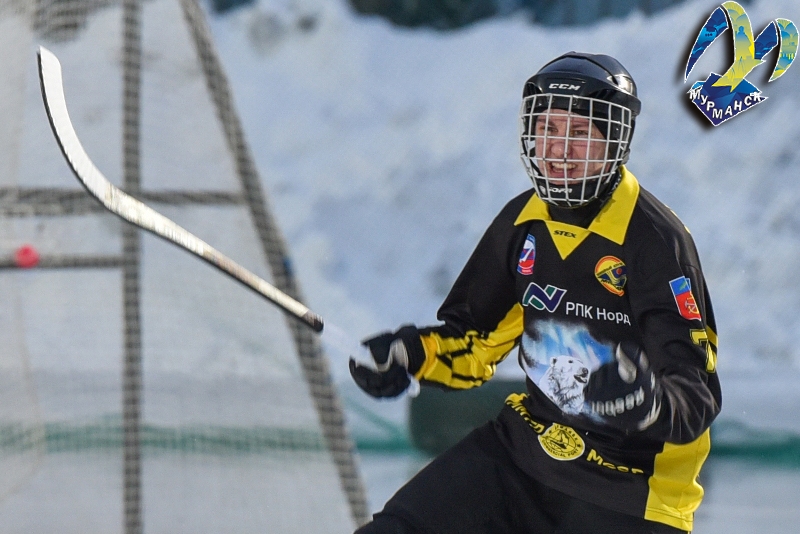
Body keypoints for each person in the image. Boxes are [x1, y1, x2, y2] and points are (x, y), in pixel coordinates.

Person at [349, 51, 721, 534]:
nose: (559, 149)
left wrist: (645, 403)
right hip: (523, 456)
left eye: (580, 133)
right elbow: (475, 342)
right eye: (547, 128)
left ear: (616, 141)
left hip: (630, 493)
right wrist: (408, 356)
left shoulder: (656, 242)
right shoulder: (522, 221)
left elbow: (696, 395)